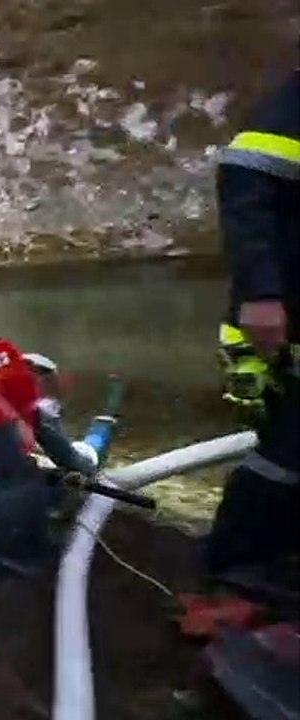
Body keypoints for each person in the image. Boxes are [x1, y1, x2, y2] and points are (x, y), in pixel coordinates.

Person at [205, 67, 299, 592]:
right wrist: (262, 295)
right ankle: (232, 571)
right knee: (285, 453)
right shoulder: (288, 112)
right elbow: (247, 186)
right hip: (280, 329)